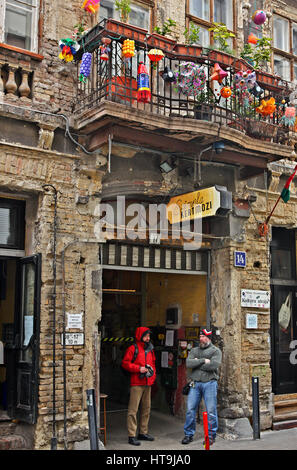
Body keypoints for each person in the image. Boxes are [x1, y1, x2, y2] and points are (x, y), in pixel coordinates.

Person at [181, 328, 222, 446]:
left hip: (210, 383)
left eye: (203, 337)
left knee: (211, 410)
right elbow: (189, 363)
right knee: (190, 410)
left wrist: (197, 363)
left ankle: (211, 436)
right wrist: (204, 360)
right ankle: (188, 434)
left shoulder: (216, 351)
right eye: (200, 337)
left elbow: (214, 365)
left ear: (209, 338)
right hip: (195, 384)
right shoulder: (194, 350)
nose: (201, 339)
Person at [121, 327, 156, 446]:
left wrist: (152, 377)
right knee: (133, 410)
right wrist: (138, 368)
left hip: (148, 383)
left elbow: (153, 364)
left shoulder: (150, 349)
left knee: (147, 409)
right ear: (140, 336)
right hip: (136, 383)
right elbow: (125, 363)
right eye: (146, 336)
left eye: (149, 336)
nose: (148, 338)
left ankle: (143, 432)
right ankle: (131, 435)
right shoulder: (133, 348)